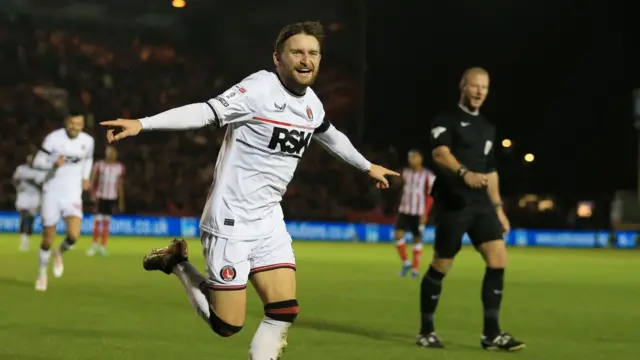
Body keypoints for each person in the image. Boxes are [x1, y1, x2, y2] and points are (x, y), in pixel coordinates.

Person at [100, 21, 398, 360]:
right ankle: (177, 262)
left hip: (269, 218)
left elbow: (329, 134)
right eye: (297, 52)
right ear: (277, 58)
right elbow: (206, 111)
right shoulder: (258, 89)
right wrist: (143, 123)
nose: (306, 59)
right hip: (231, 219)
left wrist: (366, 165)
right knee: (227, 325)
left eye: (313, 53)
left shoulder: (312, 103)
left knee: (284, 310)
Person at [416, 67, 525, 351]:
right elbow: (440, 153)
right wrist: (464, 173)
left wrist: (499, 209)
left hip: (481, 205)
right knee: (442, 265)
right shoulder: (445, 119)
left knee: (498, 259)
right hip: (454, 203)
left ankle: (492, 334)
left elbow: (491, 172)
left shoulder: (488, 128)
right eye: (474, 86)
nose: (479, 92)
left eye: (484, 88)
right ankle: (426, 330)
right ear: (463, 86)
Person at [32, 113, 94, 291]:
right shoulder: (53, 139)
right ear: (66, 122)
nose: (75, 127)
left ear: (83, 125)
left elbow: (88, 159)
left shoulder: (88, 141)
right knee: (47, 238)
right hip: (52, 192)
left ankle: (59, 252)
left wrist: (85, 177)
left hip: (73, 193)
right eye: (72, 123)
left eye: (79, 124)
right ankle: (42, 274)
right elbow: (37, 161)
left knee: (74, 235)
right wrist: (52, 163)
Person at [393, 150, 435, 278]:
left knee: (417, 238)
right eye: (410, 157)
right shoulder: (405, 173)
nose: (411, 160)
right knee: (398, 235)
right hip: (404, 209)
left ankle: (415, 269)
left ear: (420, 159)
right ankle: (406, 262)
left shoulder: (428, 175)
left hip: (419, 211)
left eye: (414, 157)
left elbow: (431, 195)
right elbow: (400, 188)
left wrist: (425, 213)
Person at [87, 145, 125, 256]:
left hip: (111, 198)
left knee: (106, 223)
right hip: (100, 197)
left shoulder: (119, 167)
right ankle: (94, 246)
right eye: (108, 152)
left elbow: (120, 185)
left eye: (112, 152)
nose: (110, 154)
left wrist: (121, 201)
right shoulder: (99, 165)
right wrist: (91, 193)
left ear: (115, 154)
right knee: (97, 222)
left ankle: (103, 247)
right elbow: (92, 180)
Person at [12, 154, 47, 252]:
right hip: (23, 196)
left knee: (31, 219)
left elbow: (43, 185)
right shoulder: (21, 169)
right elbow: (14, 180)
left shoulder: (40, 172)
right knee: (23, 217)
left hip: (35, 197)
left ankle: (27, 239)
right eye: (30, 160)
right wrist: (18, 187)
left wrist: (34, 184)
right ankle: (22, 241)